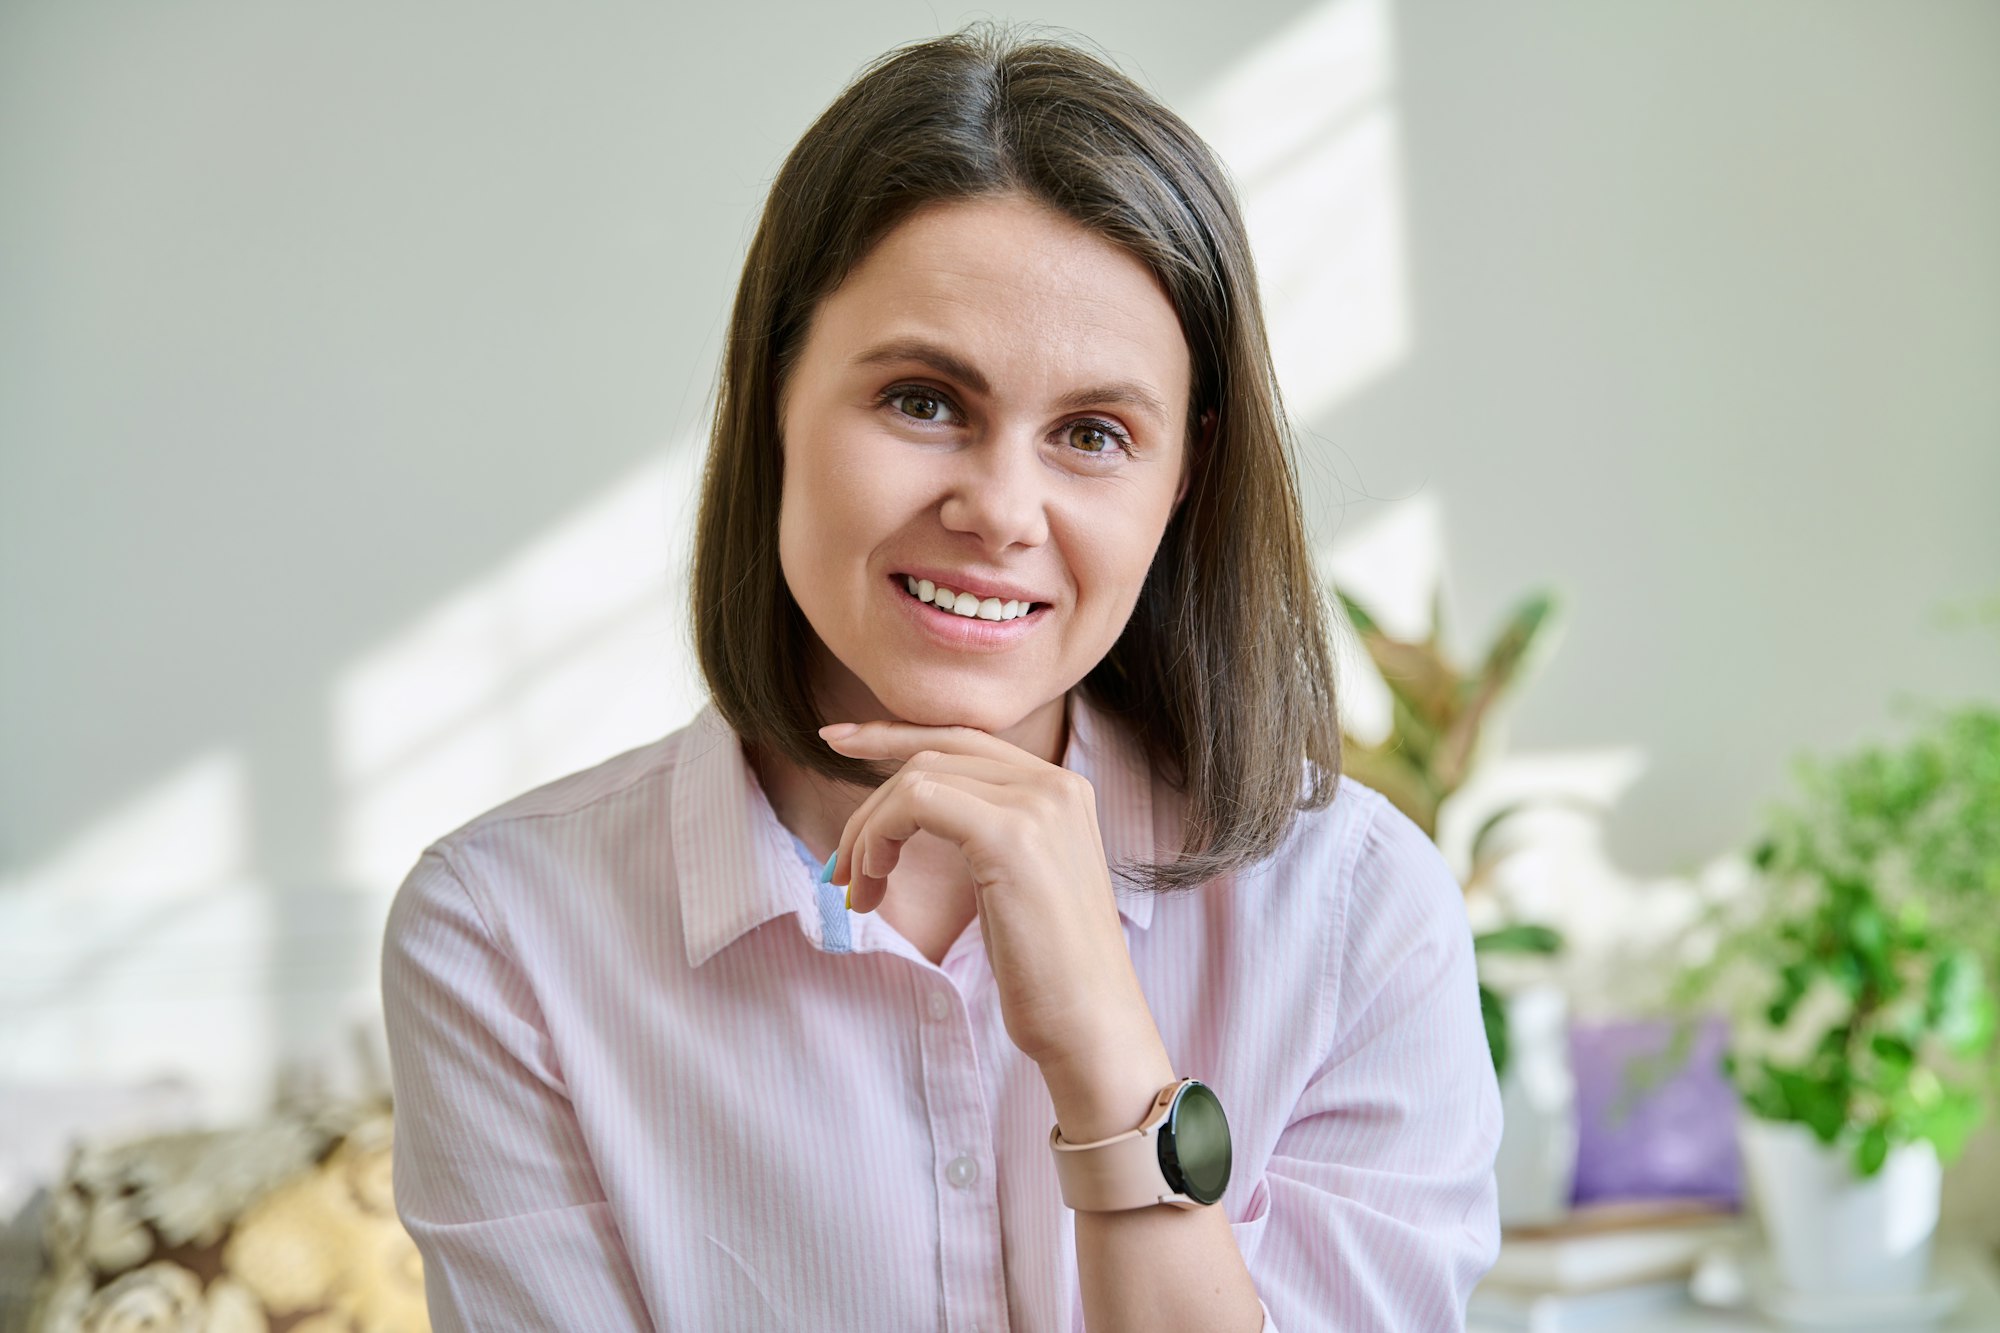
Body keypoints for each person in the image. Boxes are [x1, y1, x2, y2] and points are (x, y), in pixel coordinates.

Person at [381, 24, 1501, 1332]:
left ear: (1182, 477)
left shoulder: (1362, 914)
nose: (1003, 508)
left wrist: (1107, 1059)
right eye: (923, 400)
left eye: (1093, 433)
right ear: (773, 393)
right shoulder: (508, 934)